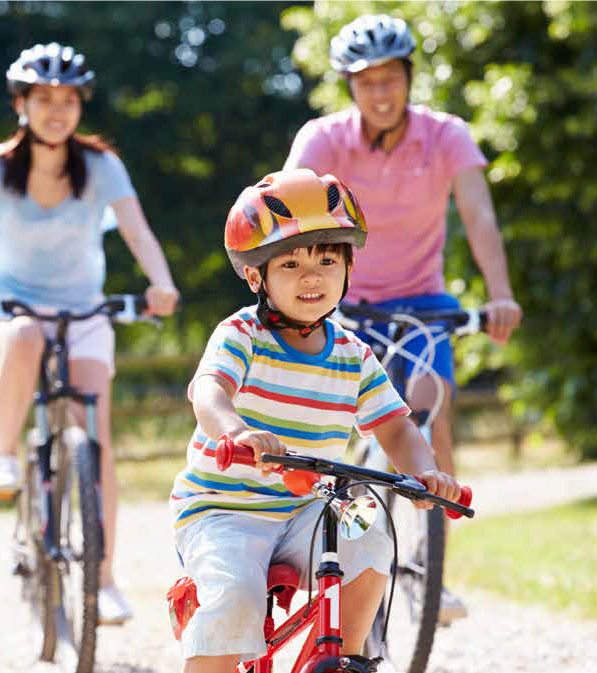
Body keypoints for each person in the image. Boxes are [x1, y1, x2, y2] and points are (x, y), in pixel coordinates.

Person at [170, 168, 461, 672]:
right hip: (224, 510)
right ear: (257, 276)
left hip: (310, 508)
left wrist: (424, 471)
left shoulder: (353, 353)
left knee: (372, 533)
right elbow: (210, 393)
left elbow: (395, 426)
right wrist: (236, 432)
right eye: (291, 263)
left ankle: (346, 658)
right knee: (235, 593)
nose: (312, 275)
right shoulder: (242, 334)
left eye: (328, 259)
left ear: (348, 268)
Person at [283, 14, 522, 622]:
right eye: (367, 82)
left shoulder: (446, 136)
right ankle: (331, 546)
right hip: (345, 303)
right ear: (349, 87)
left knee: (428, 403)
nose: (381, 93)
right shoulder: (324, 138)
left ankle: (426, 569)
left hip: (422, 302)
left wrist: (500, 294)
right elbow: (289, 209)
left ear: (409, 79)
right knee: (340, 430)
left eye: (391, 79)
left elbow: (480, 219)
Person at [0, 42, 179, 625]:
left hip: (82, 313)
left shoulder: (101, 166)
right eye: (44, 99)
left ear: (80, 106)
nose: (57, 110)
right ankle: (3, 456)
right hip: (7, 308)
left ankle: (103, 579)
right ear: (21, 104)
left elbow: (138, 232)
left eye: (68, 100)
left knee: (92, 434)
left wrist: (161, 282)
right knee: (24, 337)